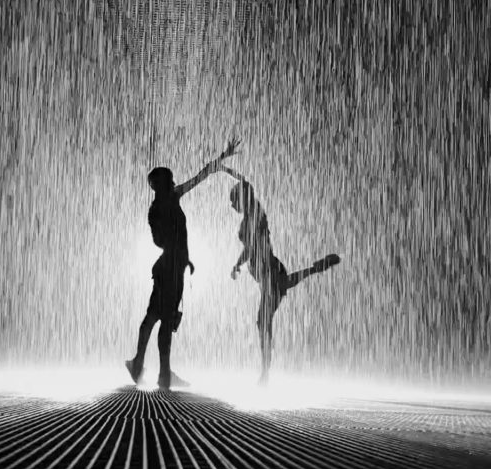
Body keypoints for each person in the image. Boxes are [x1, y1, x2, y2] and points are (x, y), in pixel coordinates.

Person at [126, 138, 241, 390]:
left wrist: (221, 158)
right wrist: (180, 254)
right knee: (161, 318)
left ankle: (144, 365)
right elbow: (161, 240)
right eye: (169, 179)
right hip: (171, 267)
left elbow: (200, 177)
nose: (174, 182)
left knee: (155, 317)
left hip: (171, 265)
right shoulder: (165, 202)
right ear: (161, 184)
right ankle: (160, 373)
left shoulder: (163, 203)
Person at [222, 166, 340, 384]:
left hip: (268, 271)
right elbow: (249, 248)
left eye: (233, 199)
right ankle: (316, 268)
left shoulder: (256, 213)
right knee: (267, 314)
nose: (231, 205)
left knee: (263, 320)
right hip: (268, 271)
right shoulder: (250, 219)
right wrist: (237, 264)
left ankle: (265, 372)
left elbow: (248, 186)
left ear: (243, 198)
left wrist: (224, 168)